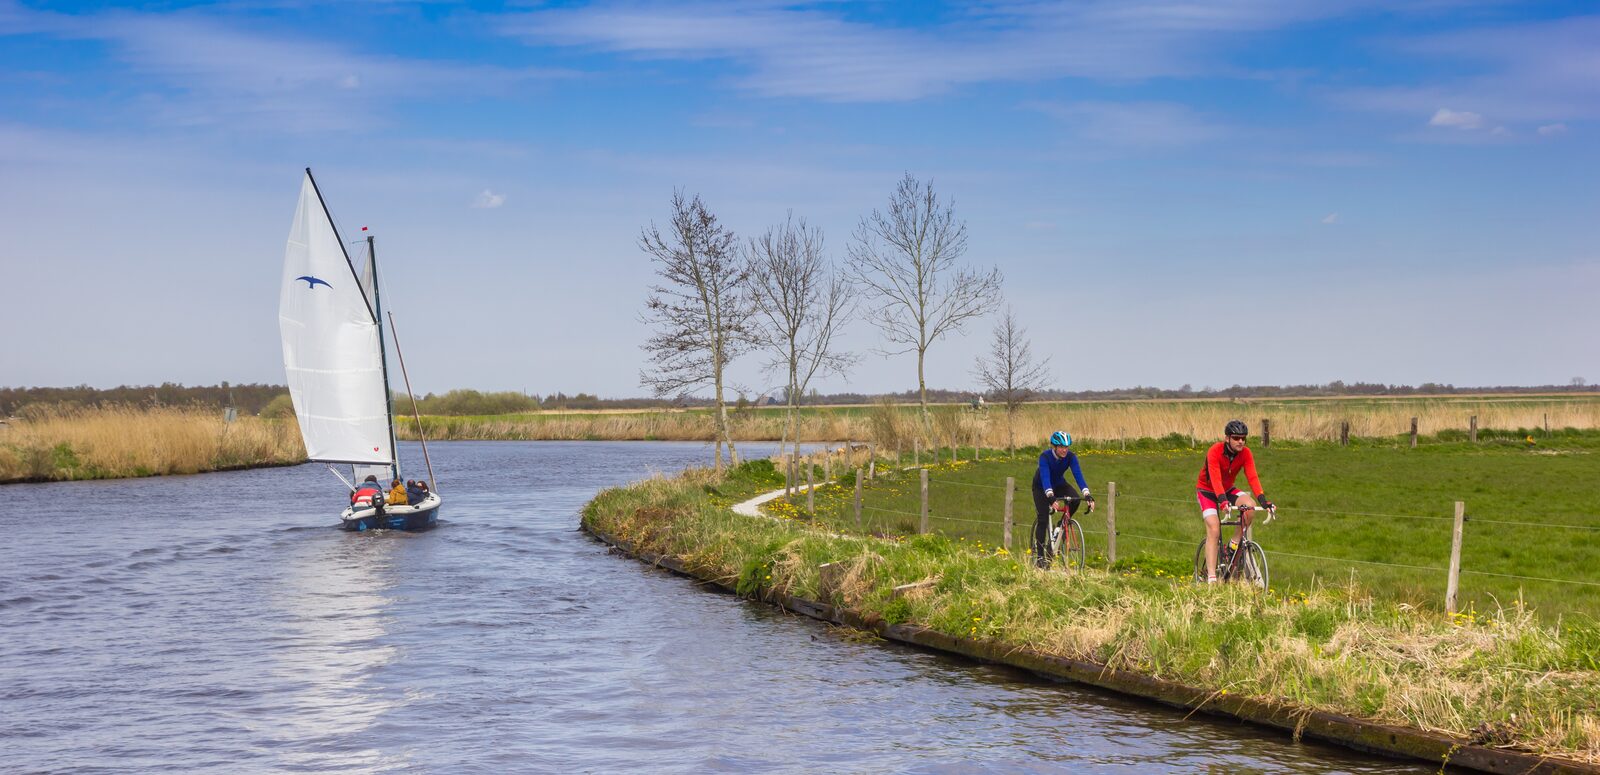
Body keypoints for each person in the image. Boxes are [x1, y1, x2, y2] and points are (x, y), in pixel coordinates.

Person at [1197, 420, 1276, 583]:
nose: (1240, 441)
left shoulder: (1246, 453)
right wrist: (1223, 501)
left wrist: (1264, 501)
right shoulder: (1215, 451)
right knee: (1214, 528)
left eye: (1243, 438)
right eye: (1236, 438)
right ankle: (1212, 577)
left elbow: (1252, 477)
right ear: (1227, 439)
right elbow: (1215, 478)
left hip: (1227, 489)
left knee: (1250, 506)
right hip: (1207, 490)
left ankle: (1233, 544)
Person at [1031, 430, 1094, 568]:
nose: (1064, 450)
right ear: (1054, 447)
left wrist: (1087, 494)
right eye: (1061, 447)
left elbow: (1078, 475)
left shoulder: (1071, 457)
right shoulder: (1045, 457)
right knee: (1043, 518)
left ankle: (1061, 526)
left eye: (1066, 447)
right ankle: (1040, 558)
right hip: (1041, 487)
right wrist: (1051, 497)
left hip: (1059, 484)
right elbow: (1045, 478)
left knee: (1075, 499)